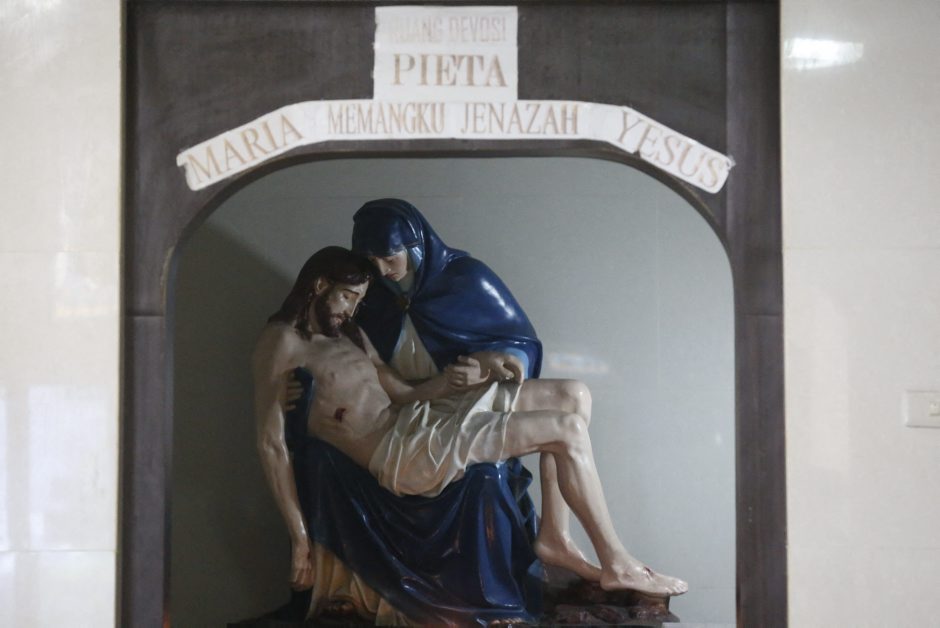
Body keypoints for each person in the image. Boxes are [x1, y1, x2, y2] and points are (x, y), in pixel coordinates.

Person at [255, 247, 687, 625]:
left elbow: (402, 392)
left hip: (416, 420)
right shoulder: (281, 343)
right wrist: (299, 539)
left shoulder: (349, 333)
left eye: (358, 300)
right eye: (348, 297)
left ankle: (556, 536)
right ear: (319, 285)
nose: (352, 310)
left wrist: (457, 379)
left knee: (573, 395)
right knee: (566, 430)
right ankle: (616, 561)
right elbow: (272, 445)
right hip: (400, 453)